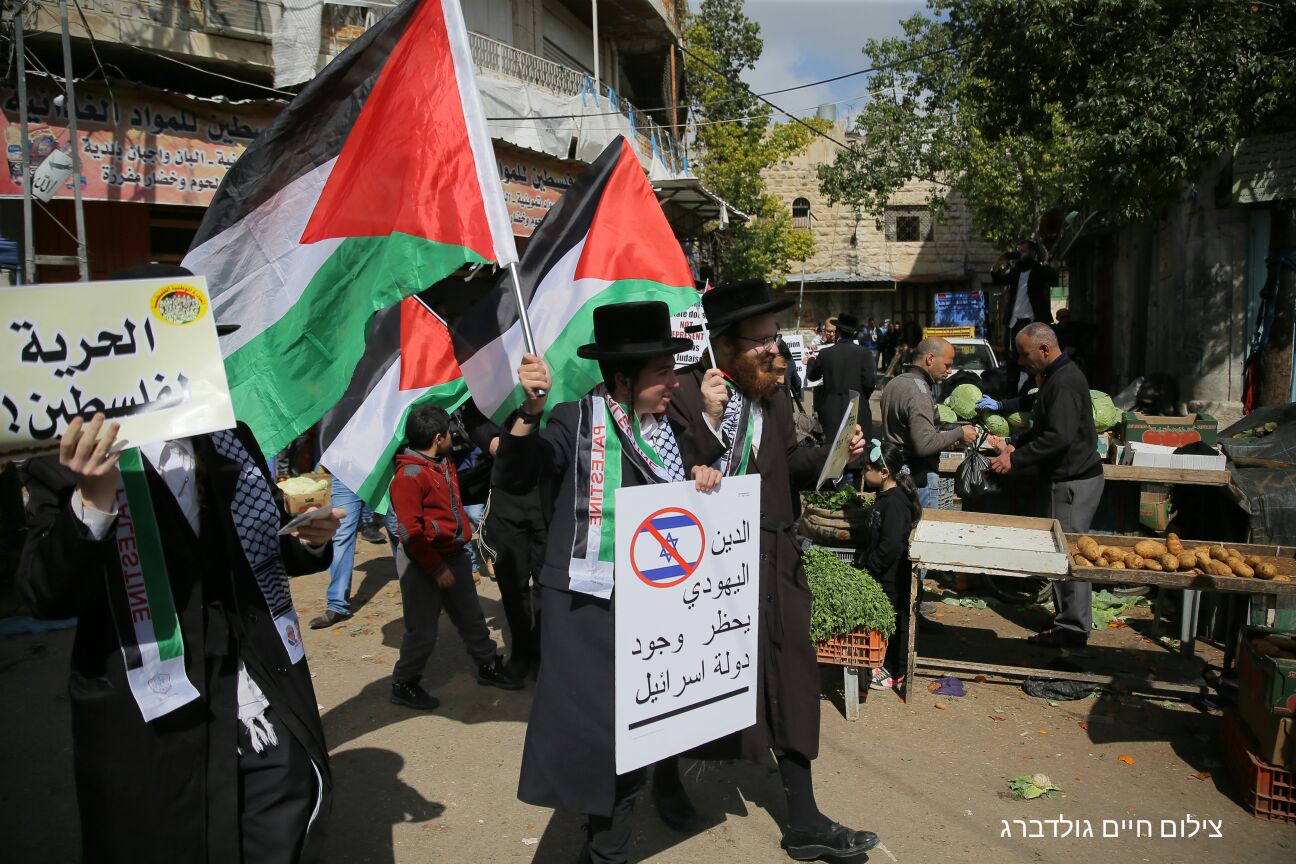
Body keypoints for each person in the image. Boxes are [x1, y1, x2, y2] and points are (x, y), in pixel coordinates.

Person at [18, 264, 342, 863]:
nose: (202, 360)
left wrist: (310, 539)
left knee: (282, 830)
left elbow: (262, 545)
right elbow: (43, 594)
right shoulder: (65, 458)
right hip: (152, 721)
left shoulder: (230, 438)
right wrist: (91, 502)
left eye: (204, 345)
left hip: (258, 691)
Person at [496, 301, 720, 864]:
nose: (675, 382)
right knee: (603, 740)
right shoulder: (575, 421)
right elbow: (520, 469)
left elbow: (691, 489)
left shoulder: (673, 425)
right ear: (623, 378)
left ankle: (612, 833)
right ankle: (607, 848)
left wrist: (704, 476)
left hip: (659, 607)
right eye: (662, 373)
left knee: (641, 731)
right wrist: (529, 409)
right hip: (589, 608)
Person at [670, 279, 879, 863]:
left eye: (774, 340)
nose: (773, 351)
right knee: (696, 677)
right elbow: (666, 481)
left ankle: (804, 818)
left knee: (790, 675)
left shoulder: (773, 395)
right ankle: (663, 776)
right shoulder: (690, 395)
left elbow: (787, 466)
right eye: (760, 342)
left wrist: (840, 455)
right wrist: (706, 426)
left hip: (776, 557)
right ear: (726, 346)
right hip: (709, 573)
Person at [387, 405, 521, 711]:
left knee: (471, 617)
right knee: (422, 630)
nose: (454, 436)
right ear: (437, 438)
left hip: (454, 555)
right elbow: (410, 533)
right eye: (449, 433)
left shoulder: (443, 461)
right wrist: (435, 569)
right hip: (423, 564)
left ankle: (488, 665)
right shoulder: (409, 476)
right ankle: (404, 682)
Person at [987, 323, 1104, 647]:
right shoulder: (1056, 378)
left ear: (1044, 349)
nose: (1022, 362)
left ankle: (1073, 630)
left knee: (1068, 556)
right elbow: (1044, 428)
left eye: (1025, 355)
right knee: (1064, 552)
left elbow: (1058, 437)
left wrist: (1017, 459)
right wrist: (1014, 443)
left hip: (1072, 481)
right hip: (1069, 478)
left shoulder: (1064, 381)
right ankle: (1069, 619)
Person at [880, 337, 977, 508]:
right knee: (922, 530)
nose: (950, 370)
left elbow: (919, 427)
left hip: (897, 474)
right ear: (930, 359)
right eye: (947, 364)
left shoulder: (894, 383)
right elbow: (924, 445)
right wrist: (959, 433)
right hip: (917, 479)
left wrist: (948, 433)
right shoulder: (920, 391)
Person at [858, 439, 923, 691]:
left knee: (891, 625)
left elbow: (891, 545)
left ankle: (893, 671)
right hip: (882, 575)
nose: (864, 472)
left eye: (867, 468)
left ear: (884, 473)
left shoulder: (895, 503)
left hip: (890, 578)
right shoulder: (884, 496)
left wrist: (869, 567)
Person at [806, 311, 875, 442]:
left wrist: (810, 361)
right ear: (854, 333)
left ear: (838, 332)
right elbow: (870, 384)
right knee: (857, 449)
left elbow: (812, 376)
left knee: (832, 453)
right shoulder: (864, 353)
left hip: (831, 412)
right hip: (858, 410)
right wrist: (859, 395)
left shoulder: (825, 353)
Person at [991, 240, 1057, 358]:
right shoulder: (1016, 272)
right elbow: (998, 280)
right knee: (1012, 357)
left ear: (1032, 253)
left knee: (1033, 356)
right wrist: (997, 265)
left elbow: (1053, 276)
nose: (1020, 254)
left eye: (1023, 251)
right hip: (1014, 322)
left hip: (1032, 321)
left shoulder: (1039, 270)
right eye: (1018, 251)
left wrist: (1041, 258)